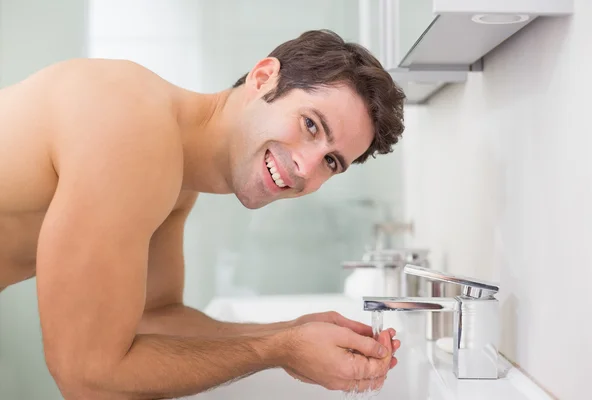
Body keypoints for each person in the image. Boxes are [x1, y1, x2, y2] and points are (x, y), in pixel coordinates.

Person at [0, 29, 406, 399]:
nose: (306, 166)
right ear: (263, 78)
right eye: (311, 126)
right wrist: (279, 350)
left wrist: (292, 332)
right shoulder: (134, 130)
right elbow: (85, 375)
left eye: (332, 162)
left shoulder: (173, 175)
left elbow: (153, 319)